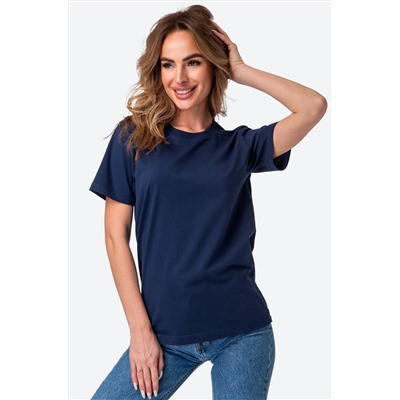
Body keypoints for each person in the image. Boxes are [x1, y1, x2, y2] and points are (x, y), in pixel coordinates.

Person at [89, 4, 327, 400]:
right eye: (168, 64)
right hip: (162, 335)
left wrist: (241, 71)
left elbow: (313, 106)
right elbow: (116, 238)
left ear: (213, 67)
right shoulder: (133, 139)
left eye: (193, 62)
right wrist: (140, 331)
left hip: (241, 333)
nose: (179, 77)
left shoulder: (241, 147)